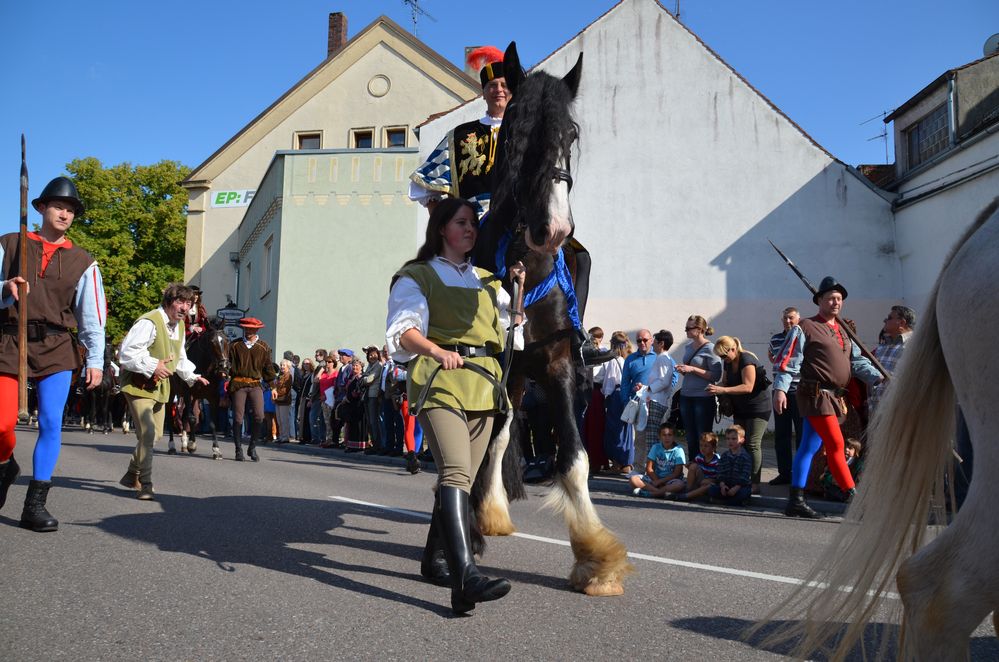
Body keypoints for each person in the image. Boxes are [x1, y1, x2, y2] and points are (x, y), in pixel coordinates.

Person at [386, 196, 525, 615]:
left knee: (461, 481)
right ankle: (466, 574)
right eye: (461, 222)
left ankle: (437, 561)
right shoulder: (417, 275)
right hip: (439, 381)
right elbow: (403, 331)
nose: (470, 230)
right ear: (442, 229)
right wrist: (435, 349)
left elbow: (509, 336)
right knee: (456, 472)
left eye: (473, 224)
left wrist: (516, 302)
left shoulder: (489, 282)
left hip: (483, 387)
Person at [0, 176, 107, 532]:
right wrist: (5, 287)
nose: (65, 213)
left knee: (49, 422)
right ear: (42, 207)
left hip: (58, 345)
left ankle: (35, 504)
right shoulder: (9, 244)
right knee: (1, 425)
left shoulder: (83, 262)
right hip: (10, 340)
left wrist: (95, 359)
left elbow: (91, 315)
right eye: (59, 206)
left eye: (71, 210)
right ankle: (4, 464)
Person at [772, 276, 882, 518]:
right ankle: (854, 499)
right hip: (815, 395)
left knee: (809, 446)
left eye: (839, 299)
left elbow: (856, 362)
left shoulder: (842, 329)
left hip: (835, 397)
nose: (836, 303)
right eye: (831, 298)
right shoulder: (805, 327)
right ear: (819, 300)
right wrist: (780, 389)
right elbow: (789, 361)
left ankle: (796, 500)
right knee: (836, 444)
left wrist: (879, 377)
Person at [118, 284, 209, 499]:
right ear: (168, 301)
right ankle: (145, 483)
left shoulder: (178, 326)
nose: (185, 308)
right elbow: (127, 353)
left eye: (189, 304)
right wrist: (153, 366)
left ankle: (131, 473)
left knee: (156, 435)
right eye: (180, 302)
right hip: (138, 385)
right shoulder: (149, 321)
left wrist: (192, 376)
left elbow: (180, 357)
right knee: (148, 433)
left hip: (161, 386)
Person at [409, 47, 509, 219]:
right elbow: (422, 185)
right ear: (483, 94)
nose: (498, 90)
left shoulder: (527, 132)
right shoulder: (460, 135)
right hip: (473, 228)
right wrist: (443, 226)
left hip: (519, 224)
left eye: (504, 85)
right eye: (492, 85)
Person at [707, 335, 771, 493]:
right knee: (739, 443)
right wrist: (713, 388)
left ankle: (755, 484)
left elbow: (748, 386)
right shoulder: (728, 363)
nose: (723, 359)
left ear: (733, 349)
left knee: (753, 444)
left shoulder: (746, 359)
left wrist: (723, 390)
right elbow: (726, 383)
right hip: (740, 408)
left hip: (758, 408)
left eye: (724, 355)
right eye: (720, 357)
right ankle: (741, 479)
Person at [227, 317, 277, 461]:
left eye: (251, 329)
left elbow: (268, 367)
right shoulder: (234, 345)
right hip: (238, 384)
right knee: (237, 417)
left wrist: (273, 387)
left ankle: (252, 447)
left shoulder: (264, 347)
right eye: (246, 328)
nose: (248, 331)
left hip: (255, 384)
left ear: (257, 330)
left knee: (259, 416)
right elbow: (228, 364)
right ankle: (238, 449)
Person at [675, 315, 723, 459]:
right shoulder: (688, 346)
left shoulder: (711, 348)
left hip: (703, 397)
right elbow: (691, 371)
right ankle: (693, 469)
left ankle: (707, 469)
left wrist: (693, 369)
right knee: (689, 436)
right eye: (685, 328)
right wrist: (684, 370)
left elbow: (716, 375)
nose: (686, 331)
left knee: (703, 436)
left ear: (700, 329)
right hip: (686, 395)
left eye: (689, 328)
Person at [767, 307, 803, 485]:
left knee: (802, 433)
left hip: (798, 389)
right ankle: (784, 473)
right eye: (785, 318)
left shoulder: (803, 336)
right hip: (779, 390)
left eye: (791, 318)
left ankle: (802, 473)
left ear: (798, 319)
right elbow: (774, 359)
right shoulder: (776, 338)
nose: (788, 321)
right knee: (782, 434)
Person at [867, 305, 915, 418]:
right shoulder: (882, 347)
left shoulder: (915, 346)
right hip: (876, 414)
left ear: (902, 323)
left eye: (889, 318)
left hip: (901, 416)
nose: (885, 320)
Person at [621, 329, 658, 461]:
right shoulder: (630, 359)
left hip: (656, 403)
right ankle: (639, 468)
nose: (642, 343)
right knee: (639, 439)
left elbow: (673, 376)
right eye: (638, 340)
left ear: (652, 340)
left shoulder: (659, 356)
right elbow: (625, 382)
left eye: (645, 340)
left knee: (656, 438)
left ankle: (654, 469)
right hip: (637, 403)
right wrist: (626, 402)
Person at [601, 331, 633, 473]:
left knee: (614, 429)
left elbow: (609, 382)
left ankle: (616, 463)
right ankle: (627, 461)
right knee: (626, 429)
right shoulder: (630, 359)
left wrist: (605, 395)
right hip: (627, 395)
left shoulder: (613, 361)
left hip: (616, 395)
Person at [644, 329, 679, 460]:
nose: (652, 345)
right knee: (654, 436)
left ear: (661, 343)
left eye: (655, 342)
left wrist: (649, 389)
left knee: (652, 437)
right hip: (658, 400)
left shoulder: (663, 359)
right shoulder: (665, 358)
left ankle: (653, 468)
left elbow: (664, 381)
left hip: (656, 401)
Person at [628, 422, 686, 498]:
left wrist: (660, 482)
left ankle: (651, 493)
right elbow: (649, 468)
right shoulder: (656, 447)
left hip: (671, 480)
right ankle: (659, 493)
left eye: (669, 435)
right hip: (655, 478)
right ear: (659, 437)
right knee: (633, 479)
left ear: (674, 436)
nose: (667, 438)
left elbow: (677, 473)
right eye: (664, 435)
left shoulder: (679, 450)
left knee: (679, 485)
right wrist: (656, 481)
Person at [708, 425, 752, 506]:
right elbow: (720, 472)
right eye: (728, 439)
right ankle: (733, 502)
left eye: (734, 439)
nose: (730, 441)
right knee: (712, 489)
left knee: (745, 493)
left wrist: (736, 488)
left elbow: (745, 475)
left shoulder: (745, 456)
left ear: (742, 440)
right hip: (727, 486)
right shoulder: (724, 455)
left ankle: (724, 502)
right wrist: (722, 485)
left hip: (739, 487)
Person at [676, 432, 721, 502]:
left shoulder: (717, 460)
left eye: (706, 446)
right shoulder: (699, 457)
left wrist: (710, 480)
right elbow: (693, 468)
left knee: (706, 484)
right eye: (701, 445)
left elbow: (719, 478)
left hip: (710, 482)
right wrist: (689, 466)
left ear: (713, 448)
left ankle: (687, 496)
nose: (703, 448)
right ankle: (688, 490)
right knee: (693, 466)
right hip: (700, 481)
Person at [361, 346, 385, 454]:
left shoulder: (378, 366)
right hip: (368, 395)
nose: (372, 356)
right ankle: (374, 443)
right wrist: (364, 378)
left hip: (374, 396)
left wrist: (363, 378)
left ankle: (377, 445)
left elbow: (369, 379)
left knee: (374, 421)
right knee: (370, 422)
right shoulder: (370, 366)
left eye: (374, 354)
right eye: (370, 355)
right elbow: (364, 379)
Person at [342, 358, 367, 452]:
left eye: (357, 365)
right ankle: (351, 445)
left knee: (359, 426)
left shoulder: (361, 377)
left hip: (358, 405)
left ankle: (359, 446)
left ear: (361, 367)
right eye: (353, 365)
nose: (354, 367)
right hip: (351, 405)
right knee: (352, 426)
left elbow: (360, 391)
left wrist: (351, 396)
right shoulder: (351, 378)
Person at [274, 359, 293, 443]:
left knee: (284, 419)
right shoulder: (280, 375)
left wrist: (276, 392)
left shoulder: (288, 375)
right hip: (278, 400)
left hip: (284, 400)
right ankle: (281, 436)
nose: (282, 367)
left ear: (288, 367)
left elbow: (285, 389)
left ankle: (285, 437)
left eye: (283, 365)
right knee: (279, 420)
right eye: (281, 365)